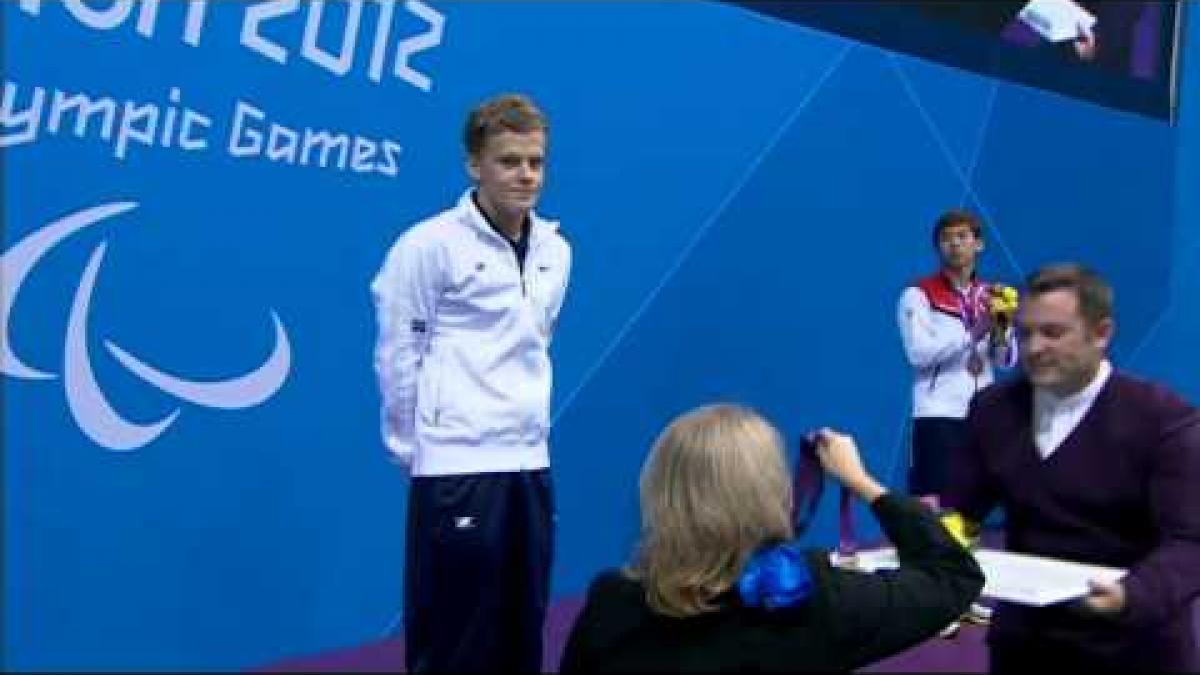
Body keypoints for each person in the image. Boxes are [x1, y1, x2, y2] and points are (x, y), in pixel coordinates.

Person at [370, 93, 572, 672]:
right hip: (454, 467)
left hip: (530, 465)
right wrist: (415, 449)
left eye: (535, 161)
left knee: (521, 632)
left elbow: (536, 342)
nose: (525, 175)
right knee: (454, 639)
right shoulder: (427, 246)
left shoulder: (557, 251)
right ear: (473, 164)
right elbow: (398, 354)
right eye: (509, 161)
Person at [559, 404, 984, 673]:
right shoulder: (816, 602)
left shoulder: (611, 604)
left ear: (657, 494)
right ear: (772, 492)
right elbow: (953, 576)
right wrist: (861, 482)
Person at [942, 263, 1200, 672]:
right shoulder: (993, 410)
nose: (1033, 348)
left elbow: (1191, 543)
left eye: (1053, 333)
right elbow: (960, 511)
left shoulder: (1165, 421)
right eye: (1024, 333)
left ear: (1102, 334)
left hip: (1134, 650)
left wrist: (1132, 595)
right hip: (1023, 647)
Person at [897, 209, 1016, 511]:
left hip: (984, 412)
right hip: (939, 414)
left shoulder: (992, 295)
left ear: (979, 244)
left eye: (962, 237)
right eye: (946, 238)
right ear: (938, 247)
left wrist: (1001, 327)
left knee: (977, 506)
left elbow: (1005, 361)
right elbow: (918, 354)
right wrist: (973, 333)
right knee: (935, 507)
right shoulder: (919, 295)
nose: (954, 244)